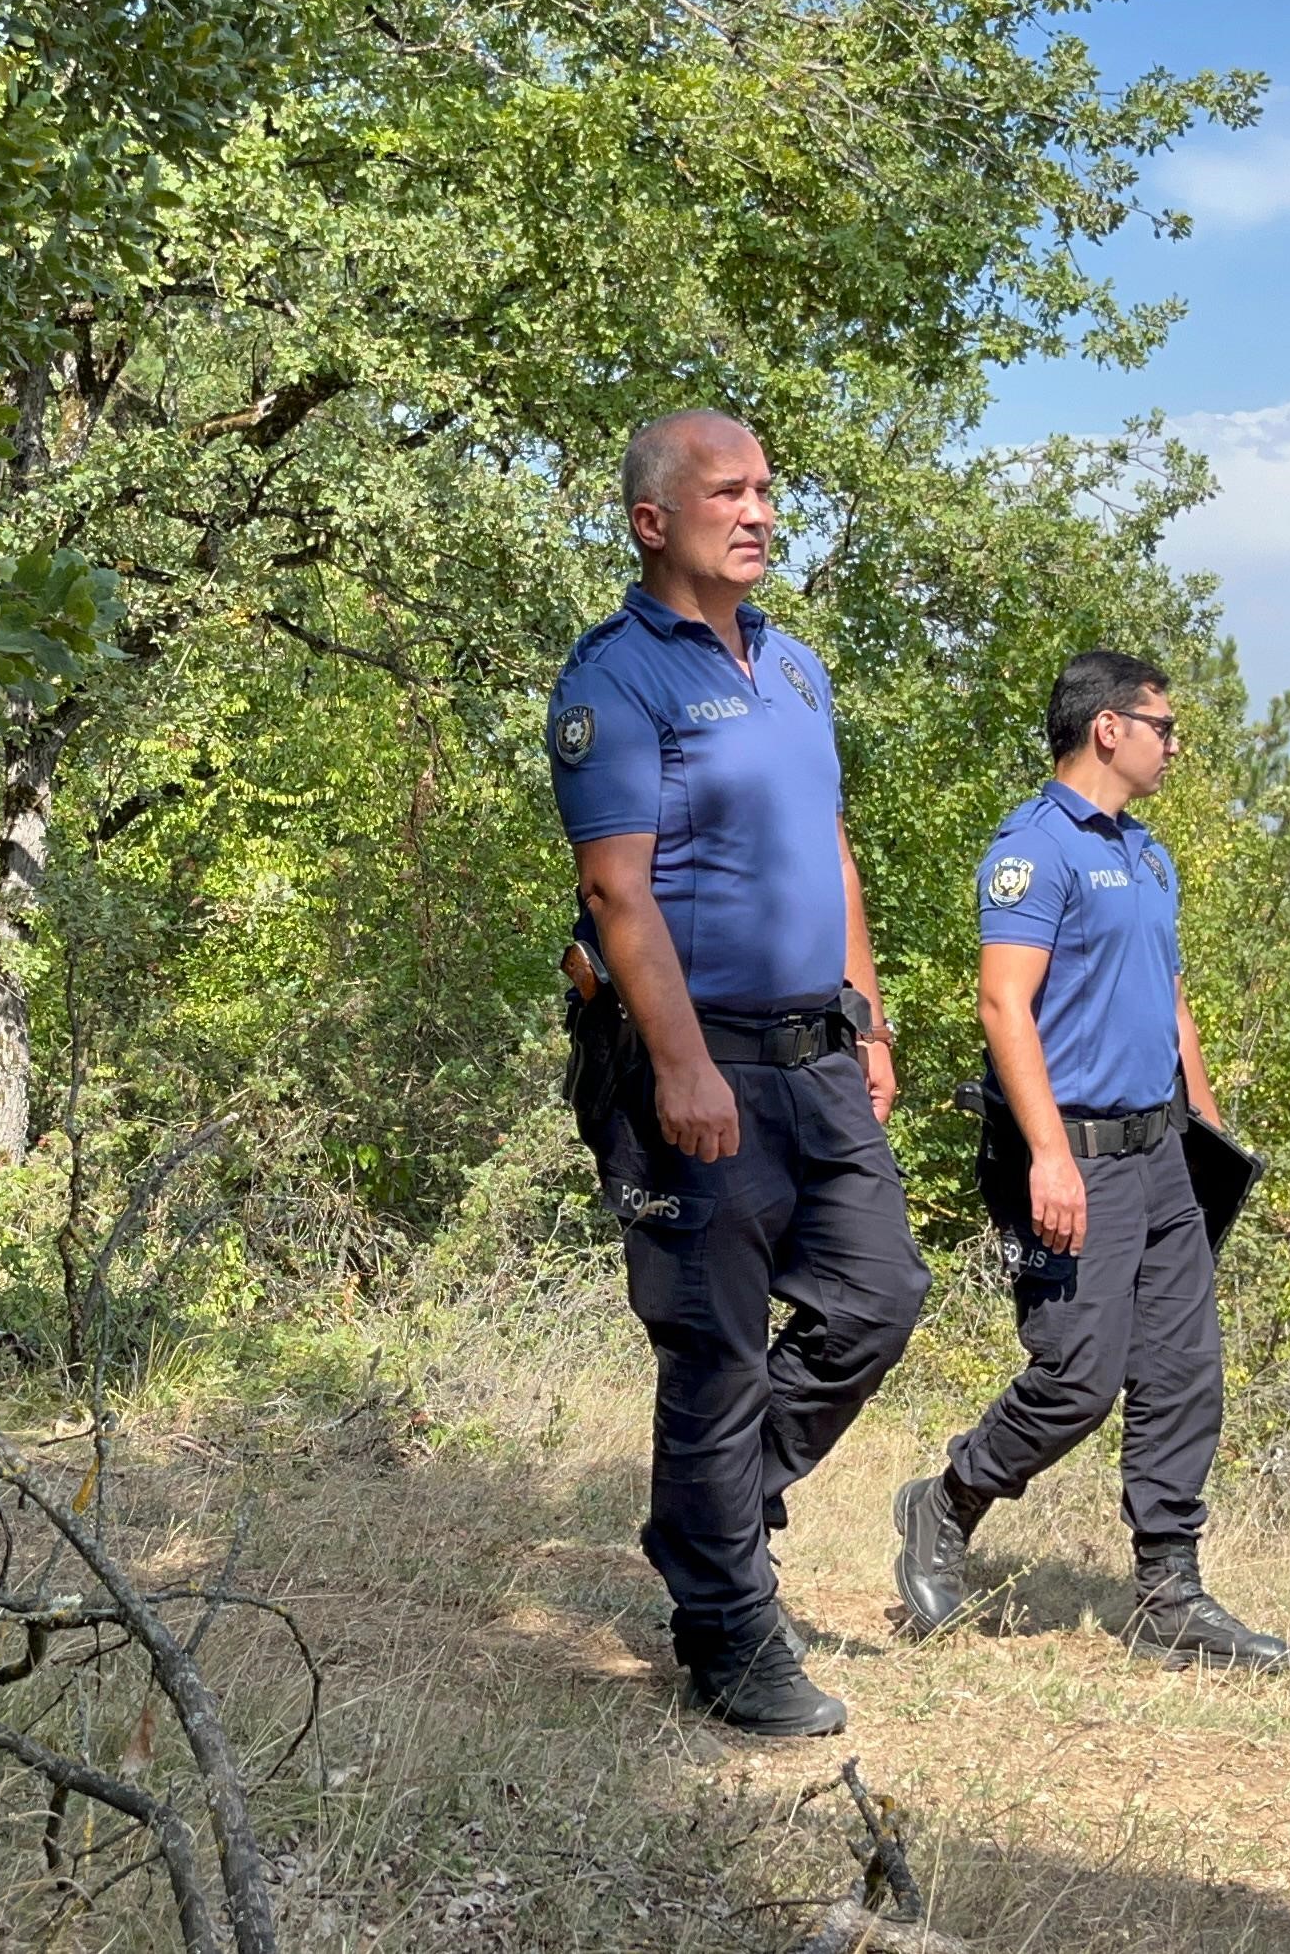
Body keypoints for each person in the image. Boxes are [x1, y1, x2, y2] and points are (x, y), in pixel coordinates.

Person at [550, 409, 929, 1736]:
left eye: (769, 488)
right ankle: (727, 1638)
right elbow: (619, 893)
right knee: (711, 1354)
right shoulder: (617, 681)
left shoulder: (798, 669)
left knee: (881, 1294)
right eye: (730, 491)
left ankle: (707, 1510)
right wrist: (682, 1068)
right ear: (655, 521)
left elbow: (830, 846)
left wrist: (869, 1012)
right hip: (696, 1066)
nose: (761, 510)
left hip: (816, 1054)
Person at [886, 650, 1290, 1671]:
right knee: (1077, 1378)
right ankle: (947, 1502)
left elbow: (1167, 999)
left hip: (1160, 1153)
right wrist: (1047, 1158)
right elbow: (1002, 1007)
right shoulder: (1035, 850)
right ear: (1107, 728)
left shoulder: (1149, 856)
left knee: (1182, 1372)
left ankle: (1169, 1595)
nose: (1174, 745)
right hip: (1071, 1154)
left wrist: (1205, 1134)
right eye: (1164, 726)